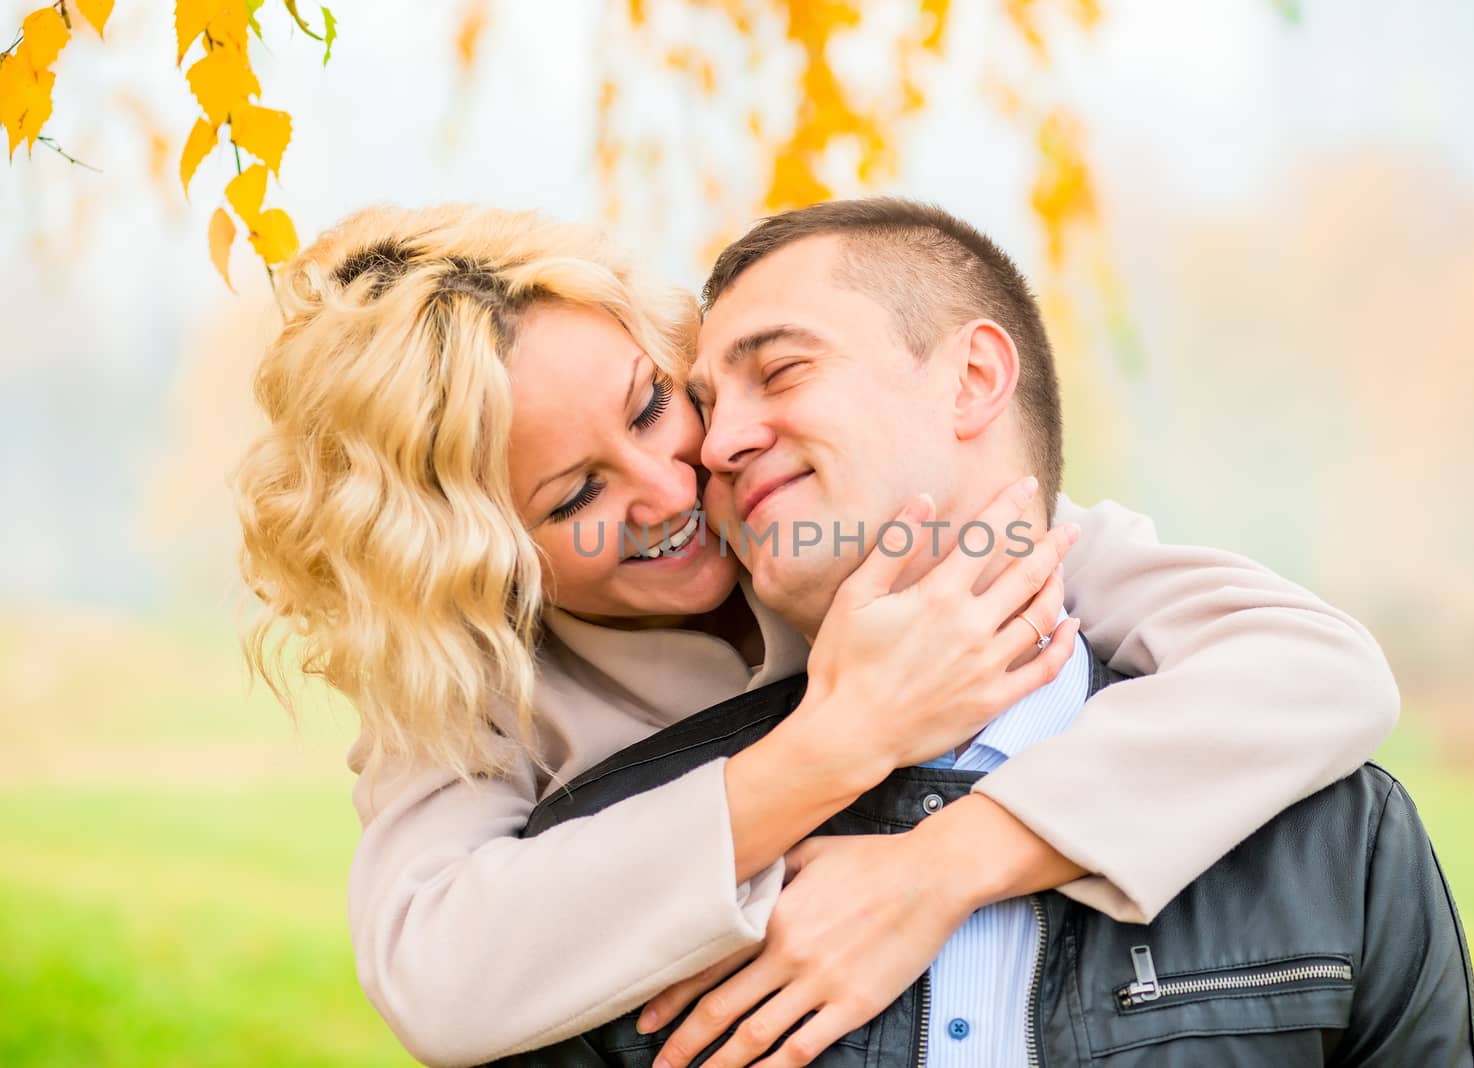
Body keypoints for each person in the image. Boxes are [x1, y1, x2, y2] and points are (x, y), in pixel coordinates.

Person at [233, 203, 1399, 1068]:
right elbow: (440, 975)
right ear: (482, 560)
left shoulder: (865, 537)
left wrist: (948, 867)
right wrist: (833, 746)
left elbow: (1316, 673)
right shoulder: (490, 685)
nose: (671, 483)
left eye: (653, 403)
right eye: (574, 498)